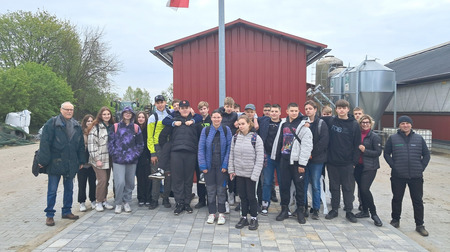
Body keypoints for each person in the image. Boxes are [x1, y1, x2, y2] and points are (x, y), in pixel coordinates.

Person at [39, 102, 85, 226]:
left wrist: (81, 160)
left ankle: (67, 211)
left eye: (71, 110)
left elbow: (81, 145)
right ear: (61, 109)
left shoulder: (76, 125)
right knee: (52, 190)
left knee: (69, 188)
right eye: (67, 109)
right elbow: (45, 143)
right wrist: (42, 161)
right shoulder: (52, 123)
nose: (69, 111)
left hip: (71, 162)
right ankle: (49, 215)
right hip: (56, 162)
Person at [384, 115, 431, 236]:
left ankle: (420, 225)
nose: (405, 125)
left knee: (417, 201)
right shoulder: (393, 139)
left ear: (411, 124)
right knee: (397, 198)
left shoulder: (419, 139)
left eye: (407, 123)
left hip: (416, 176)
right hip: (398, 176)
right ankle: (395, 220)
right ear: (399, 125)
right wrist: (394, 166)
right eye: (403, 123)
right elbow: (386, 154)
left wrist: (421, 167)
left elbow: (426, 155)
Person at [271, 103, 313, 224]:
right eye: (291, 110)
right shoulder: (283, 124)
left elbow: (307, 146)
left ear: (298, 111)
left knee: (300, 187)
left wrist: (302, 164)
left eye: (296, 110)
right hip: (284, 160)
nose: (294, 113)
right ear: (287, 111)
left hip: (297, 162)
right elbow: (279, 139)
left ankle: (300, 211)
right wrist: (276, 156)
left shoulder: (304, 126)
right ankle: (284, 209)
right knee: (284, 186)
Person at [321, 99, 361, 223]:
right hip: (332, 162)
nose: (341, 110)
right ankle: (334, 209)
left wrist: (354, 162)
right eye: (339, 108)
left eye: (344, 108)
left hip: (348, 163)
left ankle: (349, 210)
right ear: (336, 109)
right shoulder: (331, 121)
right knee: (334, 187)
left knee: (348, 187)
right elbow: (314, 119)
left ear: (348, 109)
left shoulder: (354, 124)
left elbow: (356, 144)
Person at [166, 100, 203, 215]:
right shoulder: (174, 121)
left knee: (188, 179)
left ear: (190, 108)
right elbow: (163, 136)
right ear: (179, 109)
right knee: (177, 179)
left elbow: (201, 137)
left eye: (186, 107)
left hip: (190, 153)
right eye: (182, 108)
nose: (184, 109)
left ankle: (187, 203)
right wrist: (168, 148)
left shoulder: (195, 122)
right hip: (176, 153)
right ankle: (179, 203)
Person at [229, 115, 264, 230]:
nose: (241, 126)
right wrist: (232, 170)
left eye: (243, 124)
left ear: (249, 124)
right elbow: (232, 155)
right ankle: (243, 217)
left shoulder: (256, 138)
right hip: (239, 173)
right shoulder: (235, 137)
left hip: (251, 174)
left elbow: (260, 158)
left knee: (252, 196)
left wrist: (255, 174)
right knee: (242, 196)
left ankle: (254, 217)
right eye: (239, 124)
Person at [198, 110, 232, 224]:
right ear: (211, 118)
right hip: (209, 166)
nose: (216, 119)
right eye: (214, 117)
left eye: (218, 117)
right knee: (211, 190)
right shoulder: (206, 130)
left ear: (221, 118)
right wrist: (203, 165)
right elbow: (201, 148)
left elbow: (229, 148)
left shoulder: (226, 130)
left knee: (221, 190)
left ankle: (221, 213)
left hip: (221, 166)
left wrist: (225, 165)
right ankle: (212, 213)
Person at [108, 107, 144, 214]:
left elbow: (140, 144)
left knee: (130, 183)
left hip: (131, 160)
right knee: (119, 182)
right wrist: (115, 153)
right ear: (122, 114)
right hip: (118, 160)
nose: (127, 115)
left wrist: (135, 155)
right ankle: (118, 203)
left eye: (130, 113)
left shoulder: (136, 127)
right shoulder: (115, 127)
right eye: (125, 113)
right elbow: (110, 143)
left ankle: (127, 202)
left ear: (132, 115)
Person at [354, 115, 383, 226]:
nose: (365, 124)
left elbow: (378, 152)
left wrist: (365, 150)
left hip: (370, 167)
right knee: (361, 189)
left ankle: (374, 213)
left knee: (365, 189)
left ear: (371, 124)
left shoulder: (374, 137)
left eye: (367, 122)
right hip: (358, 166)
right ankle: (364, 211)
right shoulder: (357, 135)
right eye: (363, 122)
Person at [303, 100, 329, 220]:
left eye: (310, 108)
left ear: (315, 109)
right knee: (303, 184)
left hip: (317, 159)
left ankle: (316, 208)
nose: (308, 110)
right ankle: (303, 207)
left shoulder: (321, 124)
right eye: (306, 109)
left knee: (315, 184)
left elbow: (323, 142)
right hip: (304, 159)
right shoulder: (303, 123)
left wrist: (311, 154)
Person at [88, 106, 115, 212]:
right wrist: (97, 159)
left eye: (108, 114)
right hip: (99, 159)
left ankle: (104, 200)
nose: (106, 116)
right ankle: (98, 201)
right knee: (102, 180)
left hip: (109, 158)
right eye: (104, 114)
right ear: (100, 115)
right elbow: (91, 145)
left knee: (106, 180)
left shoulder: (112, 126)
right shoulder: (96, 127)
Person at [147, 95, 172, 209]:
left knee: (168, 174)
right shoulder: (153, 117)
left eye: (162, 102)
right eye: (158, 103)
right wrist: (152, 153)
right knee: (156, 175)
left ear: (165, 102)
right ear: (155, 104)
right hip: (157, 148)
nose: (160, 104)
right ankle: (154, 199)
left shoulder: (171, 114)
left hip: (168, 147)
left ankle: (166, 198)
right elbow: (149, 137)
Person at [259, 104, 282, 215]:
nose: (273, 113)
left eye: (275, 111)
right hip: (267, 156)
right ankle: (265, 203)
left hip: (280, 157)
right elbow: (249, 115)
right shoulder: (264, 121)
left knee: (282, 182)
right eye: (272, 111)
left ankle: (284, 205)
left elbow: (300, 117)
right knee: (267, 182)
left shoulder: (284, 123)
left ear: (280, 113)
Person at [194, 101, 212, 209]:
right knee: (200, 177)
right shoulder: (198, 122)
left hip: (209, 153)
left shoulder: (212, 120)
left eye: (204, 108)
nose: (203, 111)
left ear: (208, 109)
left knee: (209, 177)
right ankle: (201, 200)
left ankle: (210, 199)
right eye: (201, 109)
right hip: (199, 153)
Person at [78, 114, 97, 212]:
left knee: (93, 183)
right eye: (88, 121)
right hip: (82, 163)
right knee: (82, 184)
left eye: (91, 120)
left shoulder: (95, 132)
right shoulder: (80, 133)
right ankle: (82, 202)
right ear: (84, 122)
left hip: (93, 163)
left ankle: (93, 200)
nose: (89, 122)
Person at [135, 111, 152, 207]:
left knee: (148, 178)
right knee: (140, 178)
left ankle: (148, 198)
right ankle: (141, 197)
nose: (141, 119)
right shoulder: (134, 129)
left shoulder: (147, 129)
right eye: (139, 117)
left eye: (143, 117)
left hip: (147, 156)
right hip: (137, 157)